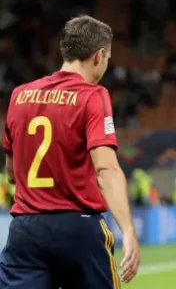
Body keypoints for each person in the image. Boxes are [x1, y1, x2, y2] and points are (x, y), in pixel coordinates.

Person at [0, 16, 139, 288]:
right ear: (99, 56)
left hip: (25, 231)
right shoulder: (93, 96)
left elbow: (12, 173)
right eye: (108, 59)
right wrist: (129, 231)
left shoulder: (19, 96)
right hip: (78, 228)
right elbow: (106, 169)